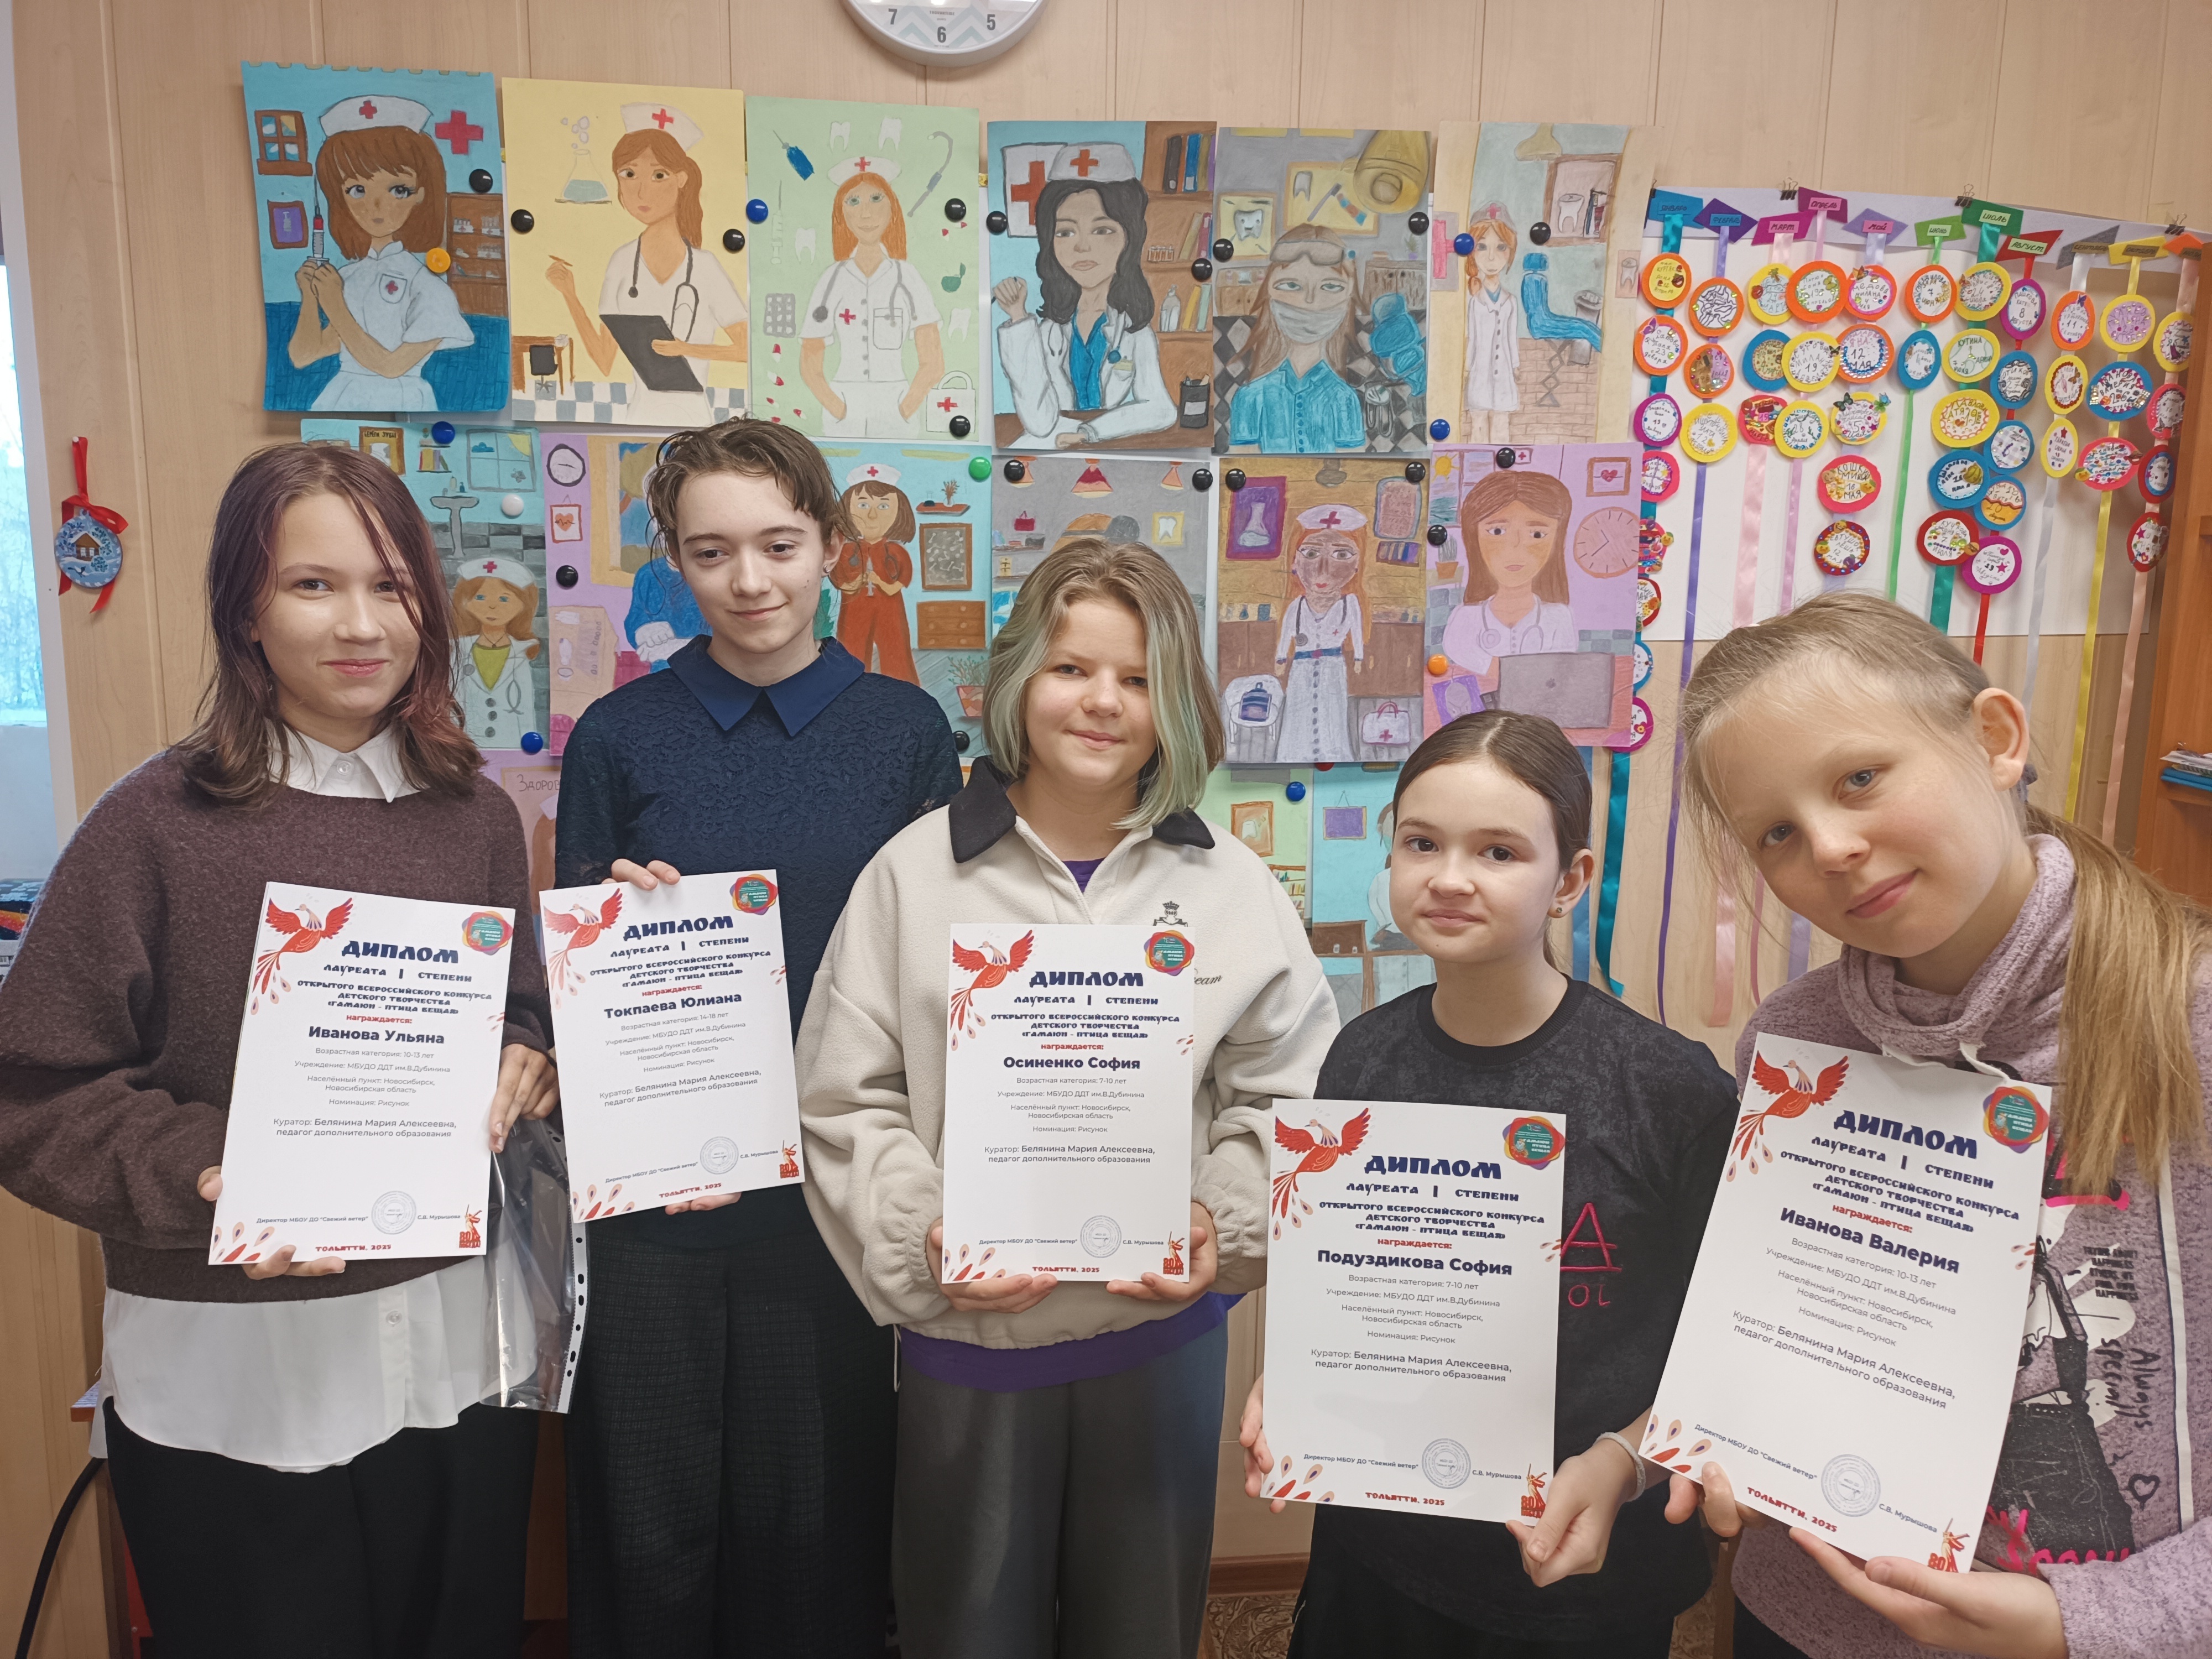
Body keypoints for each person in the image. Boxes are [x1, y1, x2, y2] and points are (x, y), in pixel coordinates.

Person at [1533, 592, 2212, 1659]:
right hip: (1803, 1620)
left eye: (1860, 778)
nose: (1834, 847)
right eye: (1777, 832)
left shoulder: (2191, 1020)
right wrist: (1658, 1449)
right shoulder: (1794, 1047)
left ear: (1995, 739)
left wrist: (2087, 1625)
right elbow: (1771, 1332)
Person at [0, 444, 558, 1656]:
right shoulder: (154, 824)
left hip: (459, 1354)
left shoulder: (473, 816)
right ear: (245, 612)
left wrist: (528, 1053)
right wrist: (208, 1175)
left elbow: (516, 1005)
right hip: (239, 1377)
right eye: (313, 585)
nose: (361, 624)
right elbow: (34, 1089)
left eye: (391, 586)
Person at [796, 538, 1338, 1658]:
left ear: (1176, 704)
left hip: (1159, 1337)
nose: (1102, 701)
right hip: (970, 1341)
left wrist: (1221, 1221)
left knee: (1140, 1630)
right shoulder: (911, 875)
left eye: (1138, 679)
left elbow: (1291, 1091)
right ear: (1016, 682)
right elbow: (847, 1099)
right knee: (964, 1630)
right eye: (1071, 669)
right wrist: (923, 1233)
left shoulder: (1230, 886)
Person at [554, 418, 963, 1657]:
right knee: (648, 1512)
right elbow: (577, 976)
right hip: (658, 1192)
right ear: (674, 560)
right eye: (711, 551)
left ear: (830, 544)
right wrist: (619, 914)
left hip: (832, 1185)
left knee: (816, 1512)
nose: (749, 581)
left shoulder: (905, 731)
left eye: (779, 545)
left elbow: (933, 966)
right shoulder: (619, 734)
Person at [1237, 710, 1738, 1657]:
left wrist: (1626, 1459)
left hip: (1575, 1572)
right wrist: (1299, 1377)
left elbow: (1733, 1343)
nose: (1451, 877)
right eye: (1422, 843)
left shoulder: (1668, 1089)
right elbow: (1342, 1285)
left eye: (1499, 851)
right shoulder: (1362, 1057)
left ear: (1571, 881)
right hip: (1379, 1544)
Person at [544, 105, 749, 428]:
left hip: (696, 422)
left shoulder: (706, 267)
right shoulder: (622, 261)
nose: (641, 191)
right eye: (628, 174)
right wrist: (570, 295)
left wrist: (684, 349)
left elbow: (745, 349)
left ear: (681, 179)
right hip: (637, 417)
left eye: (658, 175)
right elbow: (604, 359)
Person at [290, 96, 474, 412]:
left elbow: (391, 367)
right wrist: (310, 296)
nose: (375, 206)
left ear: (420, 195)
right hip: (344, 397)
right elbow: (305, 355)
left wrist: (334, 305)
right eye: (357, 190)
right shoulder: (348, 277)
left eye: (398, 190)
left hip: (401, 401)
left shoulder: (428, 287)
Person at [995, 142, 1177, 449]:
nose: (1081, 247)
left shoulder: (1134, 333)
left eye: (1102, 230)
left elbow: (1161, 409)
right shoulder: (1048, 332)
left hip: (1108, 444)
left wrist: (1089, 432)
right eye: (1065, 232)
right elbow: (1039, 423)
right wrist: (1017, 317)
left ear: (1129, 239)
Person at [800, 160, 945, 439]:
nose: (866, 213)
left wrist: (903, 409)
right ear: (841, 214)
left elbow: (933, 361)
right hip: (843, 405)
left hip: (896, 405)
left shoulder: (907, 277)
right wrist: (839, 408)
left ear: (893, 209)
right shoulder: (832, 279)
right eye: (853, 201)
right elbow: (810, 359)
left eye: (877, 199)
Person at [1225, 224, 1369, 454]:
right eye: (1291, 285)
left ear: (1349, 298)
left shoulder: (1344, 399)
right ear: (1269, 293)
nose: (1309, 301)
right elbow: (1241, 467)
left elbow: (1353, 467)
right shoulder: (1251, 397)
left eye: (1331, 286)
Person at [1441, 467, 1576, 702]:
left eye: (1537, 534)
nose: (1515, 547)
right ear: (1474, 538)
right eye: (1497, 531)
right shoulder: (1464, 621)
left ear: (1556, 541)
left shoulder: (1559, 619)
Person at [1273, 503, 1369, 762]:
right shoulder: (1297, 605)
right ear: (1294, 562)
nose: (1323, 569)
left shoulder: (1350, 604)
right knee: (1299, 713)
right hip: (1301, 667)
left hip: (1333, 666)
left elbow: (1357, 632)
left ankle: (1334, 754)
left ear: (1357, 565)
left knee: (1331, 712)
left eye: (1342, 554)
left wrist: (1359, 658)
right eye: (1311, 553)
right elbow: (1286, 632)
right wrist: (1281, 658)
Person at [831, 463, 919, 682]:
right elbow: (842, 584)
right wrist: (857, 583)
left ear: (899, 512)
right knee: (851, 649)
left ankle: (905, 691)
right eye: (863, 505)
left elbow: (895, 587)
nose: (872, 515)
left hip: (890, 611)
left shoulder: (897, 552)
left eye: (883, 506)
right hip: (855, 611)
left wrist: (879, 581)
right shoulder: (845, 551)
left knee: (896, 649)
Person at [450, 556, 542, 748]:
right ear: (465, 602)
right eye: (480, 597)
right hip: (465, 750)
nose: (492, 606)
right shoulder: (456, 651)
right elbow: (450, 705)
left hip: (512, 747)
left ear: (523, 605)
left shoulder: (521, 653)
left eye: (504, 599)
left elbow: (525, 711)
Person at [1462, 206, 1521, 444]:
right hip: (1480, 370)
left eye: (1501, 247)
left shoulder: (1510, 301)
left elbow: (1511, 337)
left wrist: (1515, 365)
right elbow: (1473, 338)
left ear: (1511, 251)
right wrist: (1467, 367)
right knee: (1478, 423)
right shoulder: (1475, 301)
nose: (1491, 258)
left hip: (1503, 371)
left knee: (1501, 424)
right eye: (1482, 247)